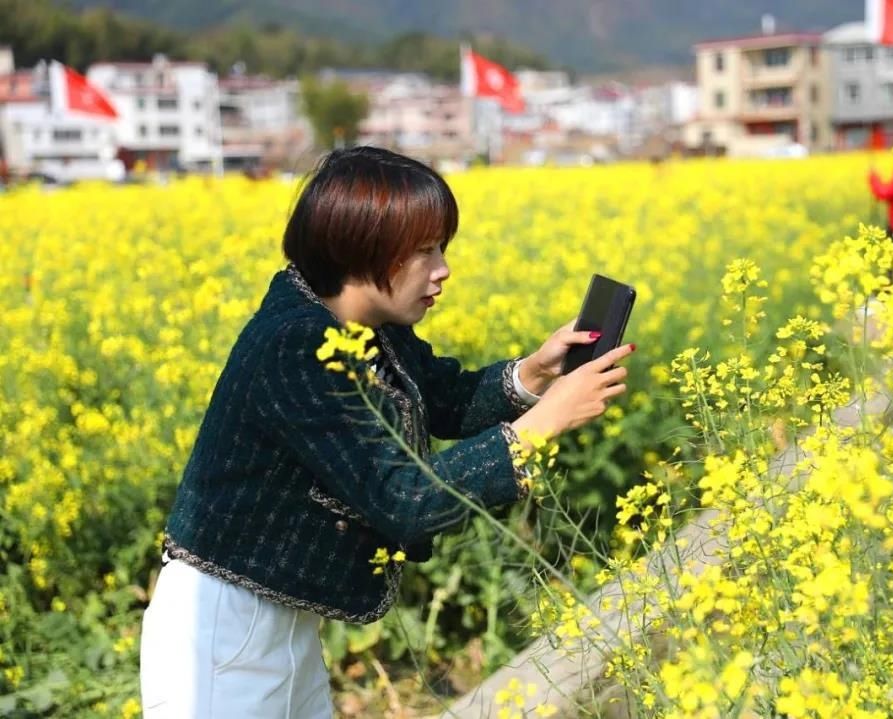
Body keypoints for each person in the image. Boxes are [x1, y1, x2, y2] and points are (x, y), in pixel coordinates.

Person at [139, 145, 634, 717]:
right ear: (360, 243)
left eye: (441, 246)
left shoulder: (356, 324)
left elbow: (442, 401)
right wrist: (545, 422)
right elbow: (405, 499)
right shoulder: (297, 346)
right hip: (223, 627)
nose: (443, 268)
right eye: (424, 250)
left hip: (280, 617)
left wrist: (536, 372)